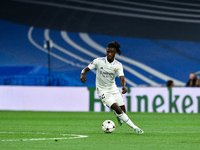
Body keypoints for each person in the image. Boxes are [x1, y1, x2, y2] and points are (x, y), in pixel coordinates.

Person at [80, 41, 144, 134]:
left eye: (111, 52)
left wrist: (124, 87)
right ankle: (135, 128)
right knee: (117, 108)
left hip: (113, 89)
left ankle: (117, 115)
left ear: (115, 53)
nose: (109, 54)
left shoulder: (118, 65)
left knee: (123, 111)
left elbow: (122, 78)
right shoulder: (98, 61)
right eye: (108, 52)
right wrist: (82, 75)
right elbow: (86, 69)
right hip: (102, 91)